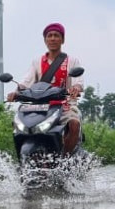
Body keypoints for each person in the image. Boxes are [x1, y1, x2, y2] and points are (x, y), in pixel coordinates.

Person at [6, 22, 84, 153]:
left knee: (74, 124)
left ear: (62, 39)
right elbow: (26, 81)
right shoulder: (37, 62)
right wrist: (15, 92)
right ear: (45, 40)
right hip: (39, 106)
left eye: (56, 35)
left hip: (65, 105)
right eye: (50, 35)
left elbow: (78, 81)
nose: (53, 38)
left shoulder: (72, 61)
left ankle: (66, 160)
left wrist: (75, 88)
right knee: (17, 124)